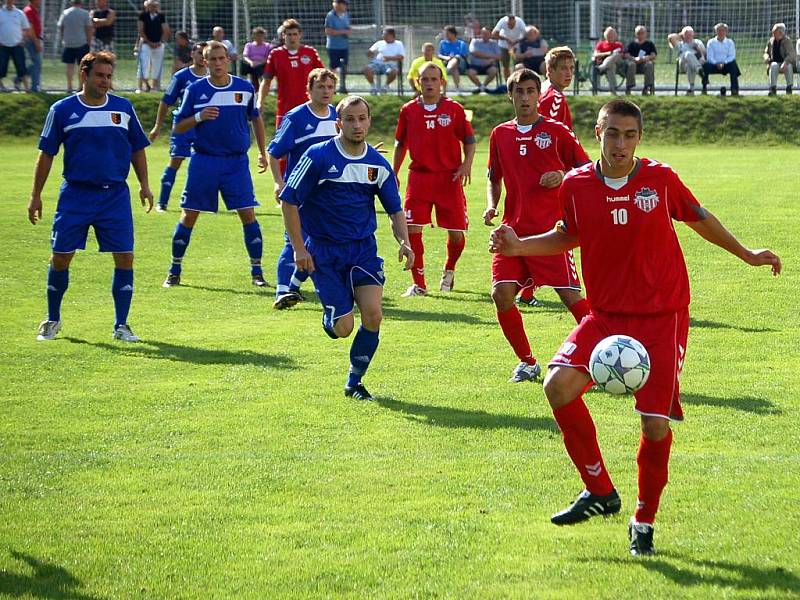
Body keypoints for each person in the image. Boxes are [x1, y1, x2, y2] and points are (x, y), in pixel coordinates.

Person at [489, 99, 781, 555]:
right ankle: (600, 491)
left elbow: (699, 219)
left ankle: (643, 520)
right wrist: (520, 242)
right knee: (557, 386)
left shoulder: (660, 180)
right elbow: (570, 233)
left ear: (639, 138)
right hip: (605, 316)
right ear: (597, 133)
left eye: (629, 135)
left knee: (654, 425)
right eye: (612, 134)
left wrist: (748, 254)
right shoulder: (577, 184)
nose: (620, 144)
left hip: (663, 316)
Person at [279, 95, 414, 400]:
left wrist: (404, 242)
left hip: (363, 250)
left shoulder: (378, 165)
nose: (357, 125)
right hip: (323, 253)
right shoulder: (318, 156)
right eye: (350, 120)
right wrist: (299, 249)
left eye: (362, 118)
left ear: (369, 121)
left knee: (374, 315)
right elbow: (288, 201)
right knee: (343, 328)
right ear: (338, 124)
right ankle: (331, 316)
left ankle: (354, 382)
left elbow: (394, 210)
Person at [29, 51, 153, 342]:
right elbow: (46, 154)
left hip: (115, 196)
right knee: (60, 258)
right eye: (100, 75)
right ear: (84, 75)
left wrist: (144, 184)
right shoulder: (62, 109)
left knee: (125, 257)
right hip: (75, 195)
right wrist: (35, 195)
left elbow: (137, 148)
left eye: (109, 76)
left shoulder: (123, 108)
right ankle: (52, 319)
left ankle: (121, 325)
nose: (106, 82)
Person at [484, 68, 590, 383]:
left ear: (537, 94)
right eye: (520, 92)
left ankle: (602, 353)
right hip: (512, 229)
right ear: (511, 95)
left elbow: (587, 169)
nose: (526, 97)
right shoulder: (500, 134)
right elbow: (494, 176)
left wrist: (563, 176)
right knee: (501, 295)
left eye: (531, 91)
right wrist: (492, 204)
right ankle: (528, 363)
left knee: (571, 298)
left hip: (552, 232)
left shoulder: (557, 132)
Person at [162, 41, 268, 289]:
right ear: (204, 61)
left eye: (221, 59)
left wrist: (263, 152)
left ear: (229, 60)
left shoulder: (244, 88)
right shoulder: (196, 89)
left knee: (248, 214)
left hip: (236, 163)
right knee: (189, 215)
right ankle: (174, 270)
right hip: (204, 161)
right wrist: (199, 116)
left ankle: (257, 271)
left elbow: (256, 120)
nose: (217, 63)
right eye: (212, 59)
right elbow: (178, 126)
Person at [394, 62, 475, 296]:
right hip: (419, 178)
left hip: (449, 180)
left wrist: (466, 165)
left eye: (433, 79)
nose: (429, 83)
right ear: (418, 82)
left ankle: (449, 269)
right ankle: (419, 284)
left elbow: (469, 141)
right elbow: (401, 144)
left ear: (442, 83)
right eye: (424, 79)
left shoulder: (454, 109)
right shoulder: (408, 110)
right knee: (412, 229)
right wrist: (394, 172)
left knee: (456, 233)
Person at [268, 68, 339, 309]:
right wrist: (279, 182)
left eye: (330, 87)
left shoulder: (337, 116)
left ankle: (295, 287)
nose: (326, 91)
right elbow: (274, 153)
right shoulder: (296, 117)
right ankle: (282, 290)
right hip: (300, 190)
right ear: (309, 90)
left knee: (323, 240)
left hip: (329, 192)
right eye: (321, 87)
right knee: (294, 239)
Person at [515, 45, 577, 309]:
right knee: (561, 234)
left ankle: (527, 292)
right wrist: (560, 173)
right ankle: (572, 290)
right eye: (562, 68)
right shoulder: (553, 99)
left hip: (546, 179)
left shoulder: (553, 96)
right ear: (548, 71)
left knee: (542, 233)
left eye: (572, 69)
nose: (568, 73)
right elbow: (546, 140)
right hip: (550, 182)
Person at [148, 41, 207, 212]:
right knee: (176, 161)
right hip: (184, 125)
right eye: (199, 52)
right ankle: (162, 203)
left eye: (205, 53)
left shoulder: (214, 77)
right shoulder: (181, 77)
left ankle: (199, 203)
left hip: (206, 127)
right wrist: (157, 126)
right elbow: (166, 101)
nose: (202, 56)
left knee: (205, 163)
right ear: (192, 55)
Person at [259, 19, 324, 127]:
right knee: (283, 143)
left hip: (309, 107)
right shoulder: (275, 54)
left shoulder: (310, 52)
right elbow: (266, 81)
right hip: (284, 109)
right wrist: (260, 101)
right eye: (289, 34)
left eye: (295, 34)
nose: (292, 37)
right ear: (283, 35)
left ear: (300, 35)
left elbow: (323, 77)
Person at [58, 0, 92, 94]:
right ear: (81, 3)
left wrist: (63, 38)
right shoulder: (85, 13)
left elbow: (61, 27)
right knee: (82, 66)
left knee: (69, 66)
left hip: (68, 43)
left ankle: (69, 87)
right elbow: (88, 28)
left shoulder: (65, 13)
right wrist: (89, 41)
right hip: (81, 43)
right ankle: (80, 87)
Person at [136, 0, 169, 92]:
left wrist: (160, 41)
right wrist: (149, 42)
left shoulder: (161, 16)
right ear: (147, 6)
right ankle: (141, 87)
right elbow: (141, 30)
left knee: (157, 65)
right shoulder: (143, 16)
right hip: (146, 44)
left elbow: (165, 29)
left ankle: (155, 87)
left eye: (155, 6)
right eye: (151, 6)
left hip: (159, 44)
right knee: (143, 65)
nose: (153, 8)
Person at [363, 27, 405, 94]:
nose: (383, 36)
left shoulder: (399, 44)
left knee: (394, 71)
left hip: (390, 65)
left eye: (385, 34)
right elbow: (369, 53)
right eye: (383, 34)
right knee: (366, 69)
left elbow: (401, 57)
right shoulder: (379, 43)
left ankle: (385, 87)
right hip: (376, 64)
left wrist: (390, 58)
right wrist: (370, 53)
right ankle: (373, 87)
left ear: (391, 35)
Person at [702, 23, 740, 95]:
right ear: (716, 31)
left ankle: (734, 90)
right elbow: (710, 57)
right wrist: (716, 63)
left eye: (723, 30)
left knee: (733, 65)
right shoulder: (711, 42)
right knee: (705, 65)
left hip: (726, 65)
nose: (721, 32)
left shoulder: (730, 42)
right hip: (713, 65)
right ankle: (704, 88)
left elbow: (732, 56)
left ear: (726, 31)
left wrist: (724, 62)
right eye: (719, 30)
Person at [667, 26, 705, 95]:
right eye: (687, 35)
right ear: (683, 35)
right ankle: (699, 70)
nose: (688, 36)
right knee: (687, 54)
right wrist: (680, 36)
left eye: (690, 34)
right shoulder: (680, 44)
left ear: (693, 34)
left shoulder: (697, 42)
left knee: (690, 65)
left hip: (695, 64)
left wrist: (697, 48)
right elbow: (670, 37)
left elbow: (703, 53)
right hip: (682, 65)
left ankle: (691, 88)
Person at [324, 0, 350, 93]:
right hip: (333, 46)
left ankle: (343, 86)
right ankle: (332, 87)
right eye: (343, 4)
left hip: (344, 46)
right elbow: (328, 31)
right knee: (333, 67)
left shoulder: (346, 15)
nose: (345, 6)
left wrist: (346, 31)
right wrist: (342, 32)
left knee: (345, 67)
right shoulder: (330, 16)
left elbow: (348, 29)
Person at [623, 25, 656, 95]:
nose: (640, 35)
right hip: (633, 64)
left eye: (642, 33)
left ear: (646, 34)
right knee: (631, 64)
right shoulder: (631, 44)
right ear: (635, 34)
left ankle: (647, 87)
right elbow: (626, 54)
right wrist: (634, 59)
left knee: (649, 64)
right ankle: (629, 87)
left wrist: (647, 57)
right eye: (638, 33)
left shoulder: (649, 44)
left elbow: (653, 55)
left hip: (644, 65)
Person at [764, 23, 795, 95]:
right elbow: (766, 52)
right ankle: (773, 88)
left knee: (789, 66)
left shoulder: (787, 41)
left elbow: (791, 54)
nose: (773, 32)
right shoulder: (771, 41)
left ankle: (789, 88)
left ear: (781, 33)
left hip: (785, 62)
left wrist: (785, 62)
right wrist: (766, 58)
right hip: (775, 62)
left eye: (775, 31)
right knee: (773, 65)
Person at [466, 27, 500, 93]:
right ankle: (481, 87)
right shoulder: (475, 41)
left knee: (494, 71)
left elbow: (499, 56)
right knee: (470, 73)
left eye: (487, 34)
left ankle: (483, 87)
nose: (485, 35)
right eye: (483, 34)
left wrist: (490, 60)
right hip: (475, 65)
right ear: (481, 34)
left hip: (489, 65)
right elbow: (474, 52)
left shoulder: (494, 43)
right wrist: (490, 56)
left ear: (490, 34)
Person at [492, 14, 526, 80]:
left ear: (515, 21)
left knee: (517, 65)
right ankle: (507, 83)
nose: (509, 26)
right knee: (505, 66)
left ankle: (517, 80)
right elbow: (494, 34)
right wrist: (506, 39)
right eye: (508, 24)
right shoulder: (502, 21)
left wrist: (516, 41)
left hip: (516, 45)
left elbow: (526, 35)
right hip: (503, 45)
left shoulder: (520, 22)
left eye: (511, 24)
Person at [592, 26, 623, 94]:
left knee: (616, 54)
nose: (611, 36)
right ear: (605, 35)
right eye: (609, 34)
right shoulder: (601, 44)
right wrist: (608, 53)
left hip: (618, 64)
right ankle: (613, 91)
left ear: (615, 35)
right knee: (610, 66)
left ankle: (602, 67)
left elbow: (620, 55)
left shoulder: (618, 44)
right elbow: (596, 54)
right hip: (610, 65)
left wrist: (610, 55)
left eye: (612, 34)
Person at [438, 25, 468, 91]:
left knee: (456, 59)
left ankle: (447, 70)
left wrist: (453, 57)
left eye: (447, 34)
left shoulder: (461, 43)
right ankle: (457, 87)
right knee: (454, 69)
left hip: (460, 63)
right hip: (446, 62)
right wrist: (447, 58)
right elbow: (439, 55)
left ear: (453, 34)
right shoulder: (442, 43)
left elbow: (464, 55)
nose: (445, 35)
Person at [22, 0, 41, 92]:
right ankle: (35, 87)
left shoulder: (34, 10)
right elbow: (30, 28)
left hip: (35, 39)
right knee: (36, 63)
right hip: (31, 40)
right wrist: (36, 42)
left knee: (35, 63)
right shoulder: (28, 10)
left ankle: (19, 77)